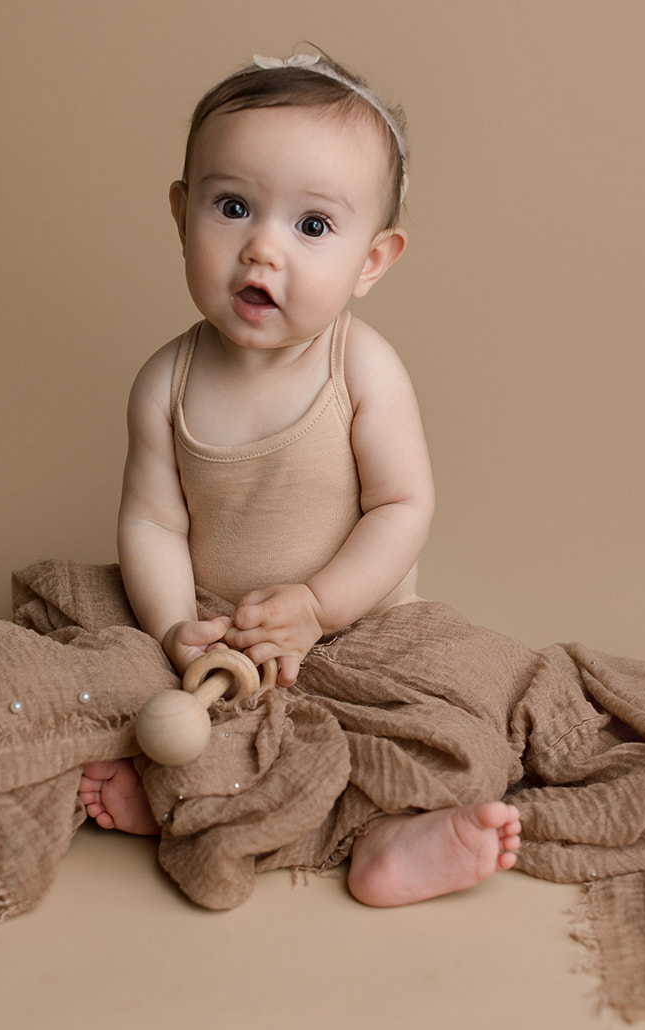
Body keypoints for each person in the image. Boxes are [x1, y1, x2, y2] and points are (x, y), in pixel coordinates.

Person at [75, 51, 521, 907]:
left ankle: (389, 839)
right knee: (105, 691)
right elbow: (151, 526)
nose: (261, 248)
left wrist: (319, 605)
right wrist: (175, 629)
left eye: (312, 227)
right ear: (181, 213)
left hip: (357, 633)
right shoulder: (163, 381)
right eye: (232, 206)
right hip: (219, 634)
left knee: (450, 720)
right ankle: (179, 795)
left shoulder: (363, 368)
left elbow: (403, 505)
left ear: (373, 260)